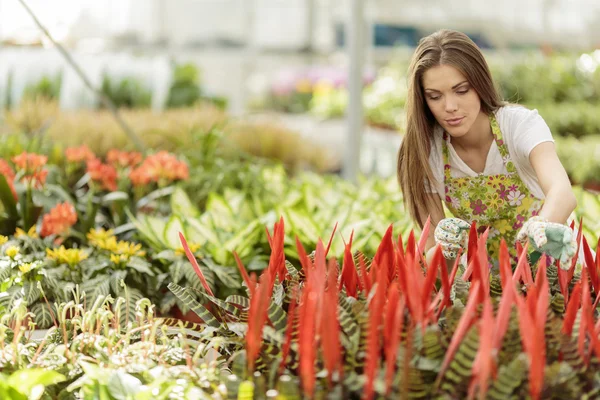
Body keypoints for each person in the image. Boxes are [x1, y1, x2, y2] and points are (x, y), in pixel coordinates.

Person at [397, 29, 579, 270]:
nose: (450, 106)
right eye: (434, 96)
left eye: (461, 90)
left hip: (551, 273)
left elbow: (562, 192)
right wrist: (445, 248)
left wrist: (541, 228)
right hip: (484, 287)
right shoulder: (426, 150)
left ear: (480, 84)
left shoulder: (519, 125)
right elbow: (435, 261)